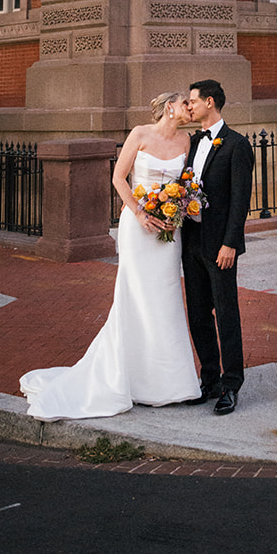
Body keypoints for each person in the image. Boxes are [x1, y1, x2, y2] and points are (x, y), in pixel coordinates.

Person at [19, 92, 200, 420]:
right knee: (134, 297)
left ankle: (170, 384)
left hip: (169, 230)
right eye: (186, 104)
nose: (190, 109)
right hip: (137, 226)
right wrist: (140, 213)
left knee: (167, 298)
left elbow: (184, 184)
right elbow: (118, 177)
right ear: (170, 107)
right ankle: (126, 378)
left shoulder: (187, 141)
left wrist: (176, 213)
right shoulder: (139, 134)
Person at [181, 80, 254, 415]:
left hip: (219, 246)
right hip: (191, 242)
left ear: (209, 102)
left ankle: (231, 383)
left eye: (192, 101)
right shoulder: (193, 141)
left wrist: (231, 244)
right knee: (197, 315)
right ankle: (208, 379)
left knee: (226, 314)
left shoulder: (237, 146)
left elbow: (240, 202)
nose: (189, 107)